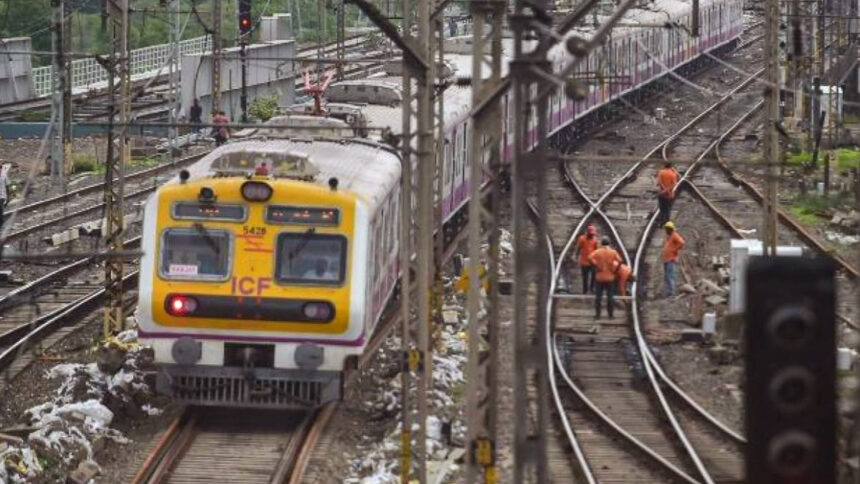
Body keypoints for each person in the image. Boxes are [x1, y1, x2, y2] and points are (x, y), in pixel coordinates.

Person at [588, 237, 622, 319]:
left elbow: (589, 257)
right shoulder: (613, 252)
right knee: (610, 297)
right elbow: (620, 261)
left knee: (598, 297)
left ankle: (598, 315)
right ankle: (610, 315)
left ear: (601, 244)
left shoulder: (598, 251)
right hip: (610, 277)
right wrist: (615, 270)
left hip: (599, 277)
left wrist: (595, 265)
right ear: (609, 243)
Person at [662, 221, 686, 297]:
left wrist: (675, 250)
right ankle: (669, 291)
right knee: (667, 276)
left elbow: (682, 242)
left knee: (670, 275)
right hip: (667, 259)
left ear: (670, 229)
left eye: (666, 229)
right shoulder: (670, 236)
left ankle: (671, 292)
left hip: (671, 259)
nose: (665, 230)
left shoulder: (674, 235)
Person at [574, 224, 599, 294]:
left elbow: (597, 250)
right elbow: (578, 248)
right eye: (591, 234)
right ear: (587, 232)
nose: (592, 235)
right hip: (584, 262)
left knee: (594, 276)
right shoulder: (582, 238)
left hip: (592, 262)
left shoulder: (595, 240)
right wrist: (575, 255)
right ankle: (585, 290)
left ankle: (591, 289)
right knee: (585, 277)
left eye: (593, 234)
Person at [0, 164, 8, 229]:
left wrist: (8, 196)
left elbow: (7, 185)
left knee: (1, 210)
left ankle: (2, 224)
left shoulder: (4, 175)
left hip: (2, 196)